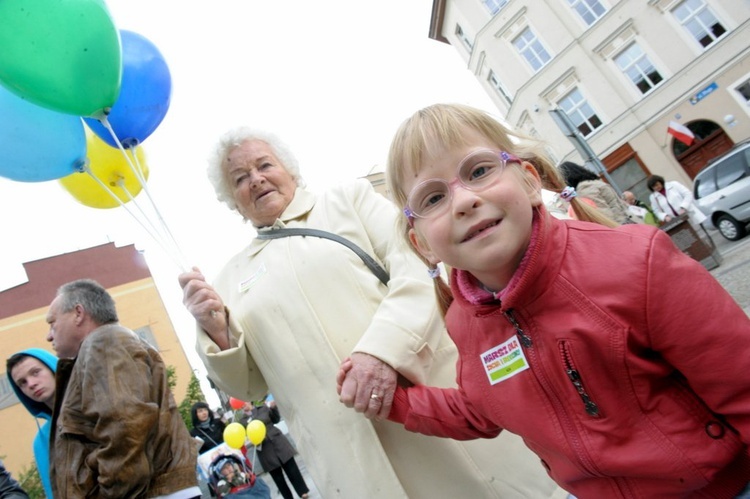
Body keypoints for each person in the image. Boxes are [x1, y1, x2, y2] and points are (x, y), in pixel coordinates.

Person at [338, 103, 750, 498]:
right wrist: (395, 403)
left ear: (530, 181)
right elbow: (482, 408)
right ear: (422, 244)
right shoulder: (465, 321)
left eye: (479, 170)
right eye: (432, 198)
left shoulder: (635, 262)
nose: (463, 201)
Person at [178, 127, 561, 498]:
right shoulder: (230, 276)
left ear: (289, 168)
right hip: (345, 454)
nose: (256, 179)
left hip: (429, 402)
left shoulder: (350, 201)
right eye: (240, 177)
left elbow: (419, 268)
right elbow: (250, 386)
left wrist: (382, 353)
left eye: (264, 165)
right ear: (231, 198)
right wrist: (216, 330)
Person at [44, 279, 201, 498]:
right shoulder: (105, 344)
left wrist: (112, 493)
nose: (49, 335)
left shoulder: (103, 342)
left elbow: (124, 428)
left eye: (52, 323)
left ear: (78, 313)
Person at [6, 349, 58, 499]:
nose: (31, 384)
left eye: (35, 372)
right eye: (22, 382)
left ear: (53, 367)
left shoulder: (96, 411)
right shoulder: (41, 442)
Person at [241, 397, 309, 499]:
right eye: (241, 403)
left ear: (249, 400)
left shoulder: (262, 408)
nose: (243, 404)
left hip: (277, 441)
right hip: (264, 449)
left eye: (244, 401)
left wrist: (273, 408)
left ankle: (302, 491)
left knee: (292, 469)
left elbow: (275, 419)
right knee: (278, 477)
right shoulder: (242, 421)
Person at [558, 161, 632, 224]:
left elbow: (604, 214)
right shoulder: (595, 183)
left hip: (617, 226)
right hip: (626, 221)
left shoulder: (585, 191)